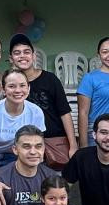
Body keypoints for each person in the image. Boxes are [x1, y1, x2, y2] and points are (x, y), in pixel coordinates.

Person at [0, 68, 45, 205]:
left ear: (28, 88)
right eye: (12, 86)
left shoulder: (35, 112)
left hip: (14, 156)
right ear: (4, 90)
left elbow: (38, 146)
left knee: (14, 194)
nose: (18, 90)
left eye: (22, 85)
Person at [8, 34, 77, 170]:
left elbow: (65, 113)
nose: (22, 56)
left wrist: (73, 145)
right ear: (11, 58)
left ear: (34, 56)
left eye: (27, 52)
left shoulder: (50, 79)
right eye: (17, 53)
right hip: (26, 144)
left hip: (54, 142)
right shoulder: (10, 83)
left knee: (55, 186)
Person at [0, 125, 58, 205]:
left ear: (44, 149)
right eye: (26, 146)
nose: (33, 152)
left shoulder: (52, 177)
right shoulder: (0, 179)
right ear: (15, 149)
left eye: (38, 146)